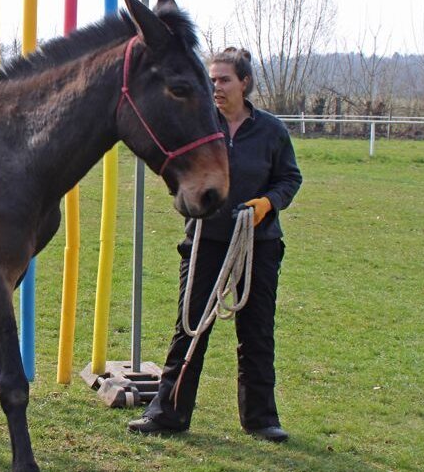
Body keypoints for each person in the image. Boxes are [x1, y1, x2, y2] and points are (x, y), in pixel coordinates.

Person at [129, 47, 302, 442]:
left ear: (244, 82)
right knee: (188, 329)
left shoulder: (272, 131)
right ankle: (168, 413)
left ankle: (261, 419)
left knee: (256, 332)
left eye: (224, 79)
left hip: (257, 244)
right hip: (204, 241)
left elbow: (290, 179)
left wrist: (268, 204)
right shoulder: (201, 126)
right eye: (211, 80)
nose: (216, 87)